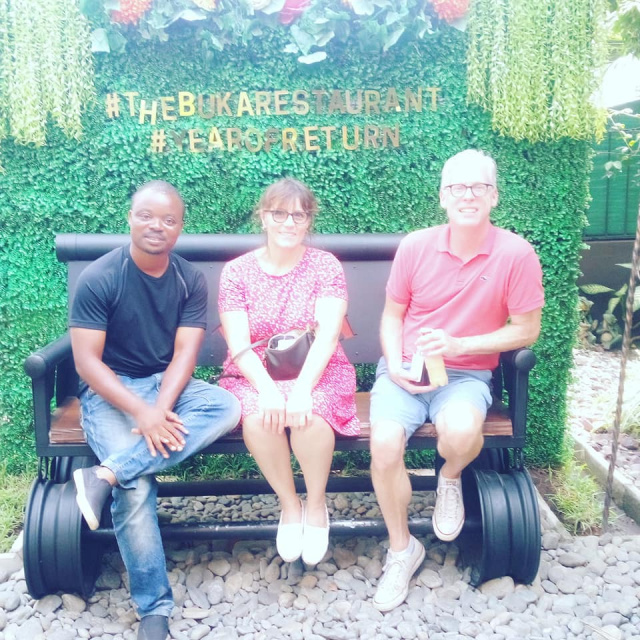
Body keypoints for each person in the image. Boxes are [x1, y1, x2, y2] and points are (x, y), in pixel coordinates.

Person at [369, 150, 544, 612]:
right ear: (443, 196)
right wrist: (395, 362)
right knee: (384, 446)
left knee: (463, 434)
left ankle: (449, 478)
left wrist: (459, 344)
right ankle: (402, 550)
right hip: (405, 370)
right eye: (457, 188)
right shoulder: (416, 246)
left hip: (465, 374)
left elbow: (526, 330)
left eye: (478, 187)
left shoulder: (516, 254)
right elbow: (392, 315)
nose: (468, 196)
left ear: (494, 196)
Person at [69, 181, 241, 640]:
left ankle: (105, 474)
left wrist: (159, 409)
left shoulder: (189, 279)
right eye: (146, 215)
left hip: (165, 384)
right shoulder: (101, 277)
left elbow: (185, 353)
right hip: (110, 390)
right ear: (130, 218)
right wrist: (140, 412)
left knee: (225, 405)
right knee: (137, 485)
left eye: (168, 220)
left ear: (180, 228)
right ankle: (154, 609)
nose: (156, 226)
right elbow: (87, 363)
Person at [218, 178, 359, 566]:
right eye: (279, 213)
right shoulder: (236, 272)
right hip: (254, 374)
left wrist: (300, 390)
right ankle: (290, 504)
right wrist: (267, 390)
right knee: (258, 417)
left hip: (319, 371)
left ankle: (316, 504)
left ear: (309, 220)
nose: (289, 223)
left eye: (299, 215)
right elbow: (239, 344)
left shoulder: (325, 266)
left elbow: (328, 336)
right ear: (263, 217)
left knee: (309, 416)